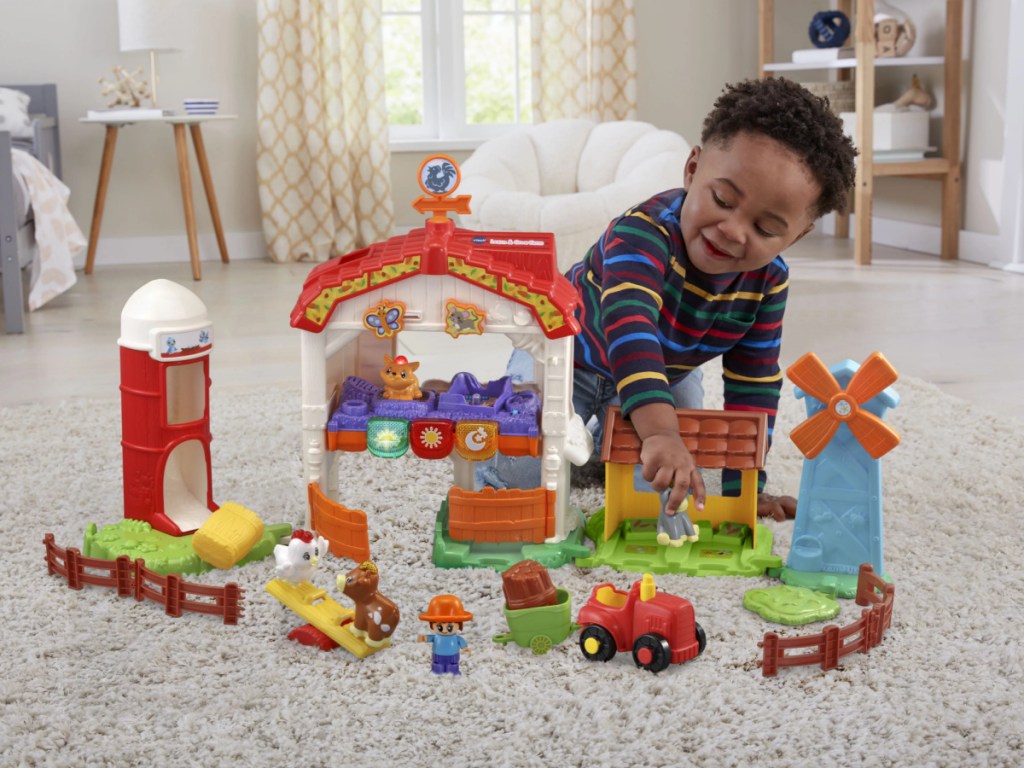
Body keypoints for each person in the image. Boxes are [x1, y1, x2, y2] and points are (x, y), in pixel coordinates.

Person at [566, 77, 857, 522]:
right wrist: (661, 431)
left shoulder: (768, 281)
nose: (733, 230)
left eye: (765, 229)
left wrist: (746, 491)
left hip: (662, 372)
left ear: (796, 236)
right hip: (568, 354)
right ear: (692, 169)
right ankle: (600, 434)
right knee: (518, 467)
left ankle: (613, 442)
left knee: (663, 488)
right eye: (722, 199)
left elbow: (753, 386)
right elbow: (630, 328)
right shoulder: (640, 236)